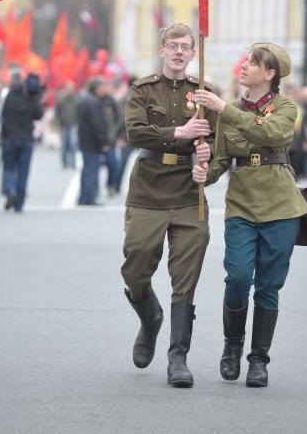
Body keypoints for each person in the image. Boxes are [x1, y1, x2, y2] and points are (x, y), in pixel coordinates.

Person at [193, 42, 307, 388]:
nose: (243, 67)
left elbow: (270, 133)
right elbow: (220, 161)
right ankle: (232, 347)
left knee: (269, 287)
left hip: (281, 207)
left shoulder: (286, 108)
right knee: (239, 278)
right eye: (244, 61)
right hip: (241, 206)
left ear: (269, 74)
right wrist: (203, 172)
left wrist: (223, 111)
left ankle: (259, 360)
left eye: (252, 63)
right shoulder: (229, 109)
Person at [121, 23, 216, 388]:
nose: (179, 52)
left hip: (189, 194)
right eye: (173, 46)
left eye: (186, 47)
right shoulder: (142, 90)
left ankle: (178, 358)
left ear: (193, 53)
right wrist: (178, 134)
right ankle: (149, 319)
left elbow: (218, 145)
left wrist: (207, 156)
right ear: (162, 50)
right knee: (136, 263)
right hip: (148, 190)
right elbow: (135, 132)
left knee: (185, 276)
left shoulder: (205, 95)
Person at [1, 71, 44, 212]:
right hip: (26, 138)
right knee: (23, 171)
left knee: (8, 167)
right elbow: (38, 115)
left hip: (10, 137)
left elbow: (3, 113)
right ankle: (19, 204)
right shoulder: (34, 98)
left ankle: (10, 189)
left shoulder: (11, 95)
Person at [77, 76, 109, 205]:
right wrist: (103, 142)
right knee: (91, 169)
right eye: (103, 86)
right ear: (97, 88)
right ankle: (88, 197)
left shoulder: (86, 99)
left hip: (85, 140)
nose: (105, 89)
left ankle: (84, 196)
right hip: (92, 141)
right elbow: (97, 124)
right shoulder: (94, 102)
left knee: (87, 169)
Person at [55, 80, 79, 169]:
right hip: (63, 124)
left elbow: (79, 110)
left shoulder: (76, 98)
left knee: (73, 143)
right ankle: (64, 162)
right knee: (64, 143)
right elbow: (57, 112)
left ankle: (73, 162)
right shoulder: (61, 99)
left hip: (73, 123)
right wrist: (57, 123)